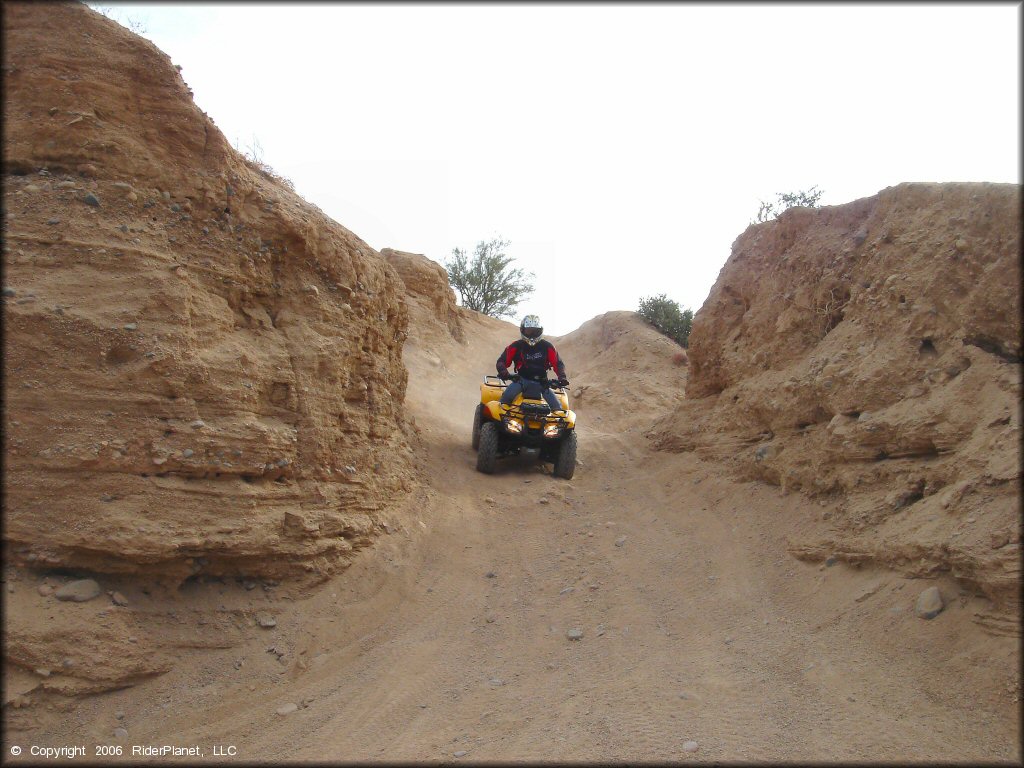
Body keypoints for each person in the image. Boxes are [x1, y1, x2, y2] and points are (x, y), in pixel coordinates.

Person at [496, 314, 569, 412]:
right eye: (529, 331)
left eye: (535, 331)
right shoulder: (516, 346)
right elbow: (502, 361)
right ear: (523, 330)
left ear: (540, 331)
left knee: (558, 411)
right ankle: (497, 427)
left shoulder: (547, 347)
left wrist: (562, 378)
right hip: (520, 381)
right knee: (502, 405)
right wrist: (504, 373)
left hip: (543, 384)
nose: (532, 334)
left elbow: (558, 363)